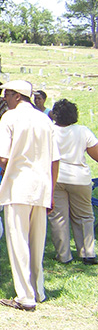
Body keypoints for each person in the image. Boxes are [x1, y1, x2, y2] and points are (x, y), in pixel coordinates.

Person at [0, 80, 59, 312]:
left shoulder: (10, 118)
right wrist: (51, 191)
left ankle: (25, 296)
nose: (5, 99)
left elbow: (2, 157)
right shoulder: (44, 119)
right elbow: (54, 160)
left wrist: (6, 169)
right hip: (41, 186)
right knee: (37, 242)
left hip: (18, 185)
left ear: (17, 96)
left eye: (7, 95)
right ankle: (38, 290)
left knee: (18, 241)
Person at [48, 99, 98, 265]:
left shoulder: (49, 131)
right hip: (79, 178)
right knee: (84, 216)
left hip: (56, 177)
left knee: (58, 217)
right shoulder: (83, 131)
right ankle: (87, 252)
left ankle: (63, 255)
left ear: (55, 114)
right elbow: (96, 154)